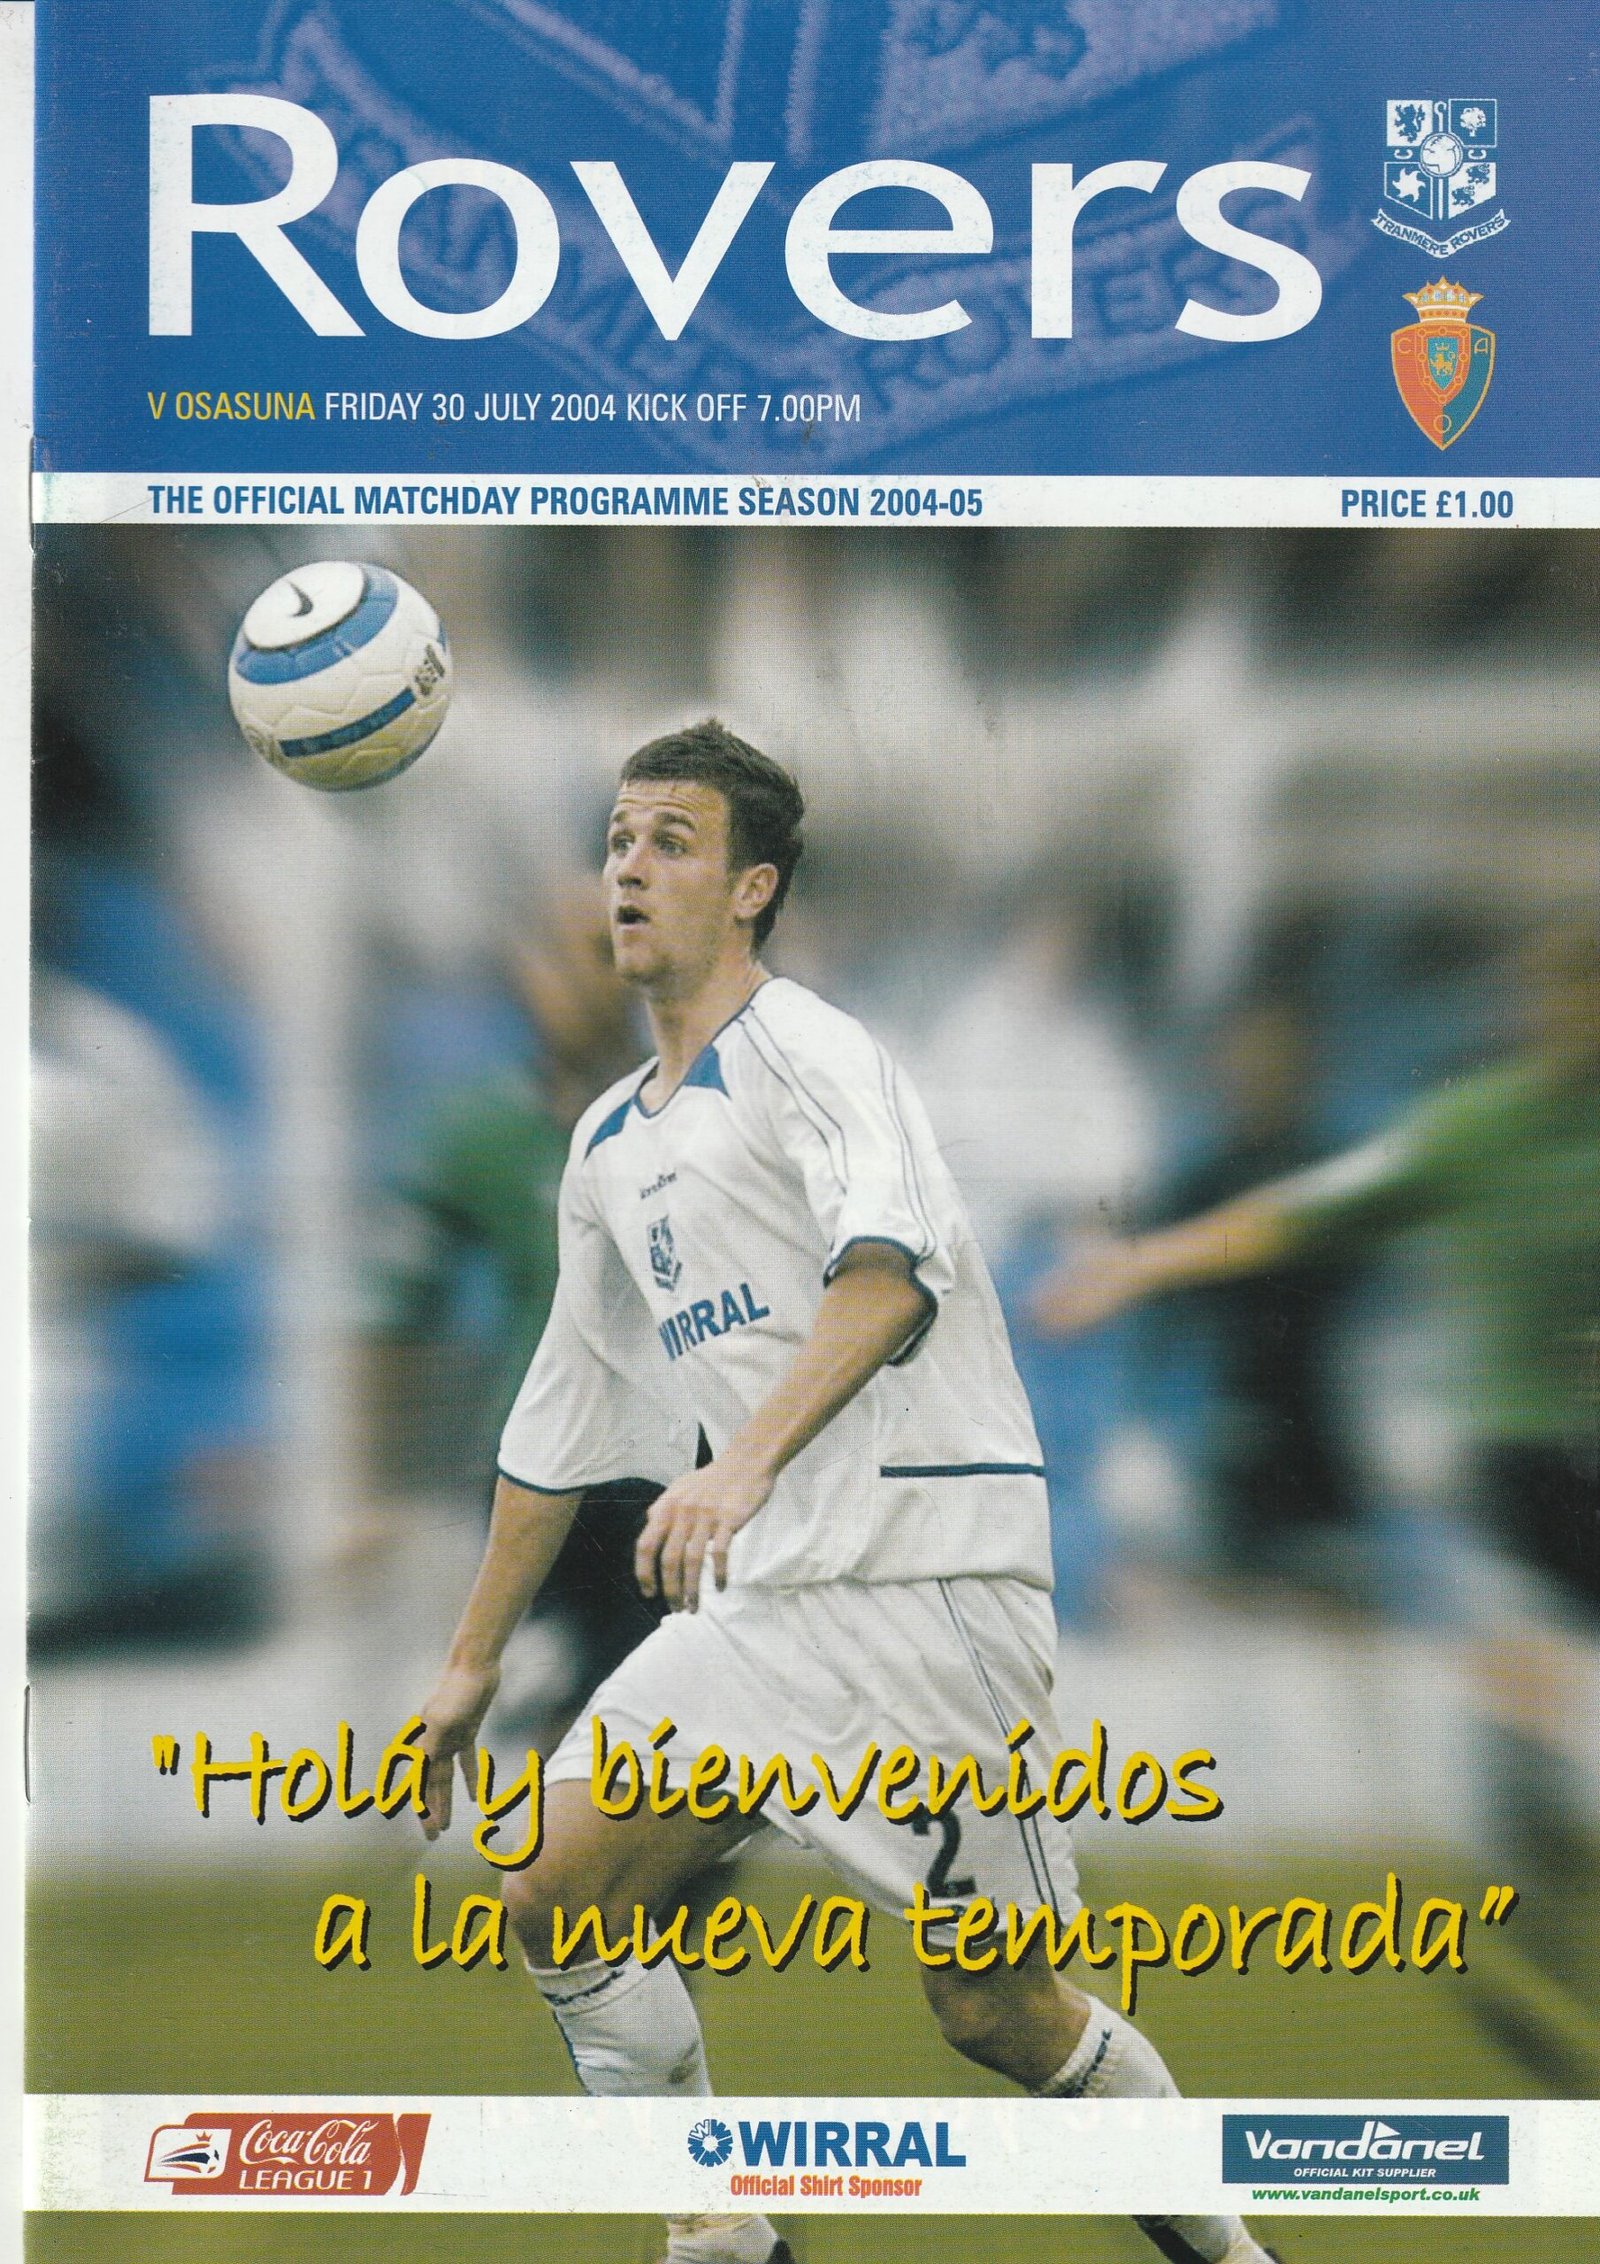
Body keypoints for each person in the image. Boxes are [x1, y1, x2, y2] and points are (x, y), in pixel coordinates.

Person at [417, 721, 1278, 2264]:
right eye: (618, 841)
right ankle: (722, 2233)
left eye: (671, 841)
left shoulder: (815, 1054)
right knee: (553, 1888)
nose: (628, 868)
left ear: (753, 887)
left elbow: (889, 1279)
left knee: (996, 2008)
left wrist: (741, 1466)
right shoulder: (606, 1147)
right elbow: (558, 1424)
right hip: (763, 1613)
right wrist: (469, 1665)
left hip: (928, 1587)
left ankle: (1238, 2259)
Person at [1031, 923, 1600, 1616]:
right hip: (1517, 1456)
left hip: (1369, 1445)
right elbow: (1302, 1214)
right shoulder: (1480, 1127)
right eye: (1554, 995)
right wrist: (1141, 1265)